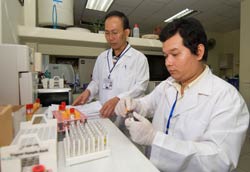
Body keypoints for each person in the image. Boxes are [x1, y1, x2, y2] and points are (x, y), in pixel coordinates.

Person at [115, 18, 249, 172]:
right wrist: (133, 104)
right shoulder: (168, 84)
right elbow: (148, 104)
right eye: (165, 56)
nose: (167, 63)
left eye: (175, 54)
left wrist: (155, 139)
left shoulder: (227, 98)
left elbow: (219, 160)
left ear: (199, 52)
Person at [72, 11, 149, 120]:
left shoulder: (139, 59)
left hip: (127, 116)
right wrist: (88, 91)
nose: (110, 38)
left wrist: (118, 99)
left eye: (114, 32)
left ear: (127, 33)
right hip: (104, 113)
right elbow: (96, 81)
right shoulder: (102, 57)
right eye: (107, 33)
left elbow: (140, 88)